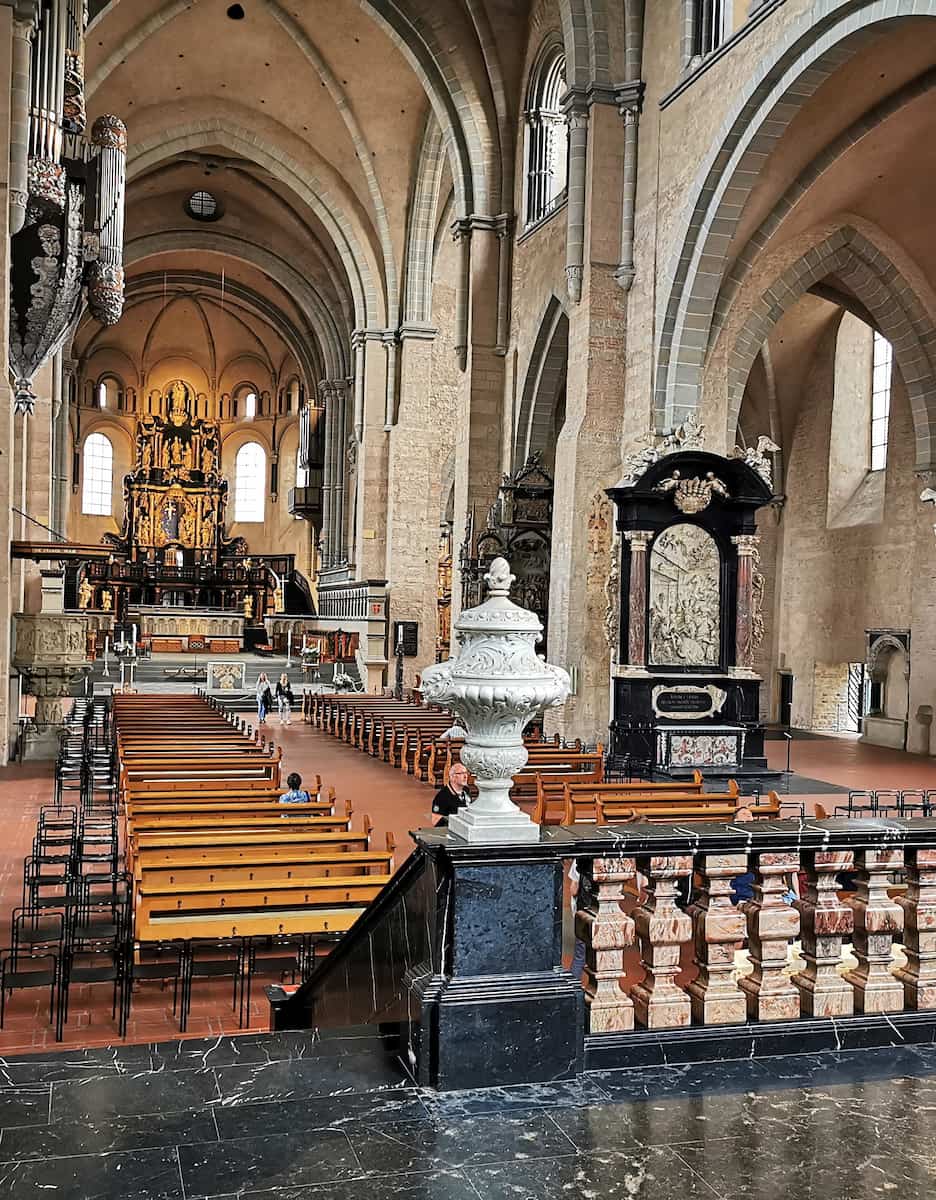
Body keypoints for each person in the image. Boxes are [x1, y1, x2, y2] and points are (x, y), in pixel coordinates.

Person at [432, 761, 470, 827]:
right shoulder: (442, 796)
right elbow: (435, 820)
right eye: (461, 773)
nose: (465, 776)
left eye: (466, 773)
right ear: (452, 777)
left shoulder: (466, 790)